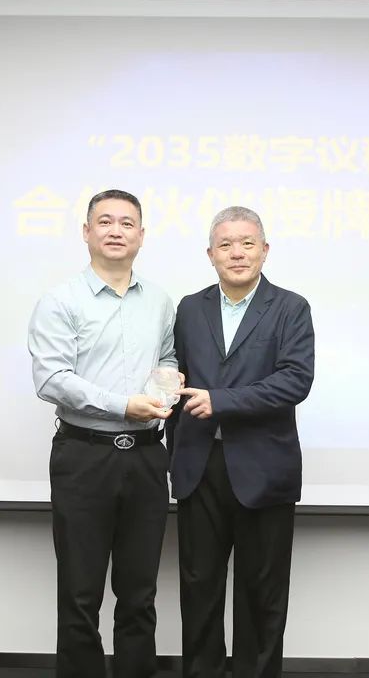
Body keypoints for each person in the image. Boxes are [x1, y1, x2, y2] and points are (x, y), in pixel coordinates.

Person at [28, 189, 176, 678]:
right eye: (106, 221)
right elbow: (52, 379)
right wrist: (123, 404)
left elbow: (168, 358)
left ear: (142, 235)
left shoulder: (160, 301)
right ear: (86, 232)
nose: (116, 231)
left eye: (127, 223)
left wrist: (166, 384)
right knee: (80, 593)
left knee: (139, 594)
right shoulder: (60, 300)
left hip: (147, 458)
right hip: (84, 456)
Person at [167, 206, 315, 678]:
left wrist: (221, 401)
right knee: (199, 590)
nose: (237, 253)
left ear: (264, 251)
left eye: (247, 243)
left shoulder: (291, 307)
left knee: (262, 594)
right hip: (199, 467)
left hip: (263, 469)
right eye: (226, 244)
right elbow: (176, 377)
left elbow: (295, 380)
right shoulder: (190, 308)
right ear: (210, 254)